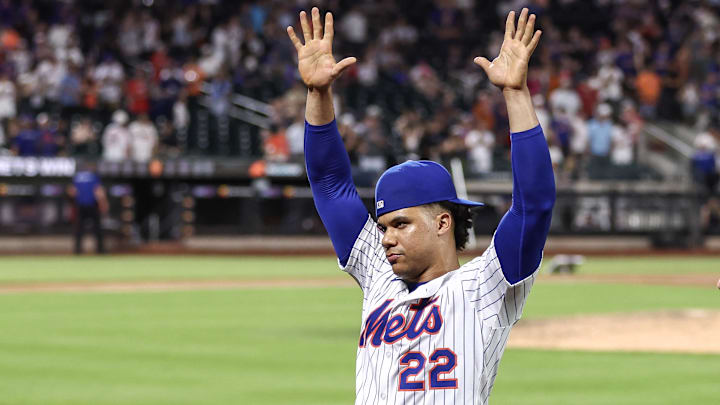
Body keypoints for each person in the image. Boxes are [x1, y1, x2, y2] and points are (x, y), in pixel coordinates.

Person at [288, 7, 554, 404]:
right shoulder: (379, 275)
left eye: (401, 224)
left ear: (443, 222)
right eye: (382, 227)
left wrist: (515, 93)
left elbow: (534, 204)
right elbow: (330, 185)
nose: (386, 239)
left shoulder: (485, 286)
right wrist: (318, 94)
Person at [68, 163, 109, 254]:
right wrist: (103, 203)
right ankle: (100, 250)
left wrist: (73, 203)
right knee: (97, 228)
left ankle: (77, 250)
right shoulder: (94, 176)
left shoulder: (77, 177)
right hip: (92, 205)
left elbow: (72, 191)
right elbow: (98, 191)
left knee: (79, 229)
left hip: (81, 206)